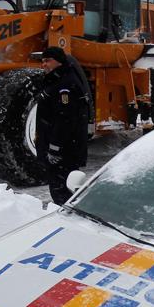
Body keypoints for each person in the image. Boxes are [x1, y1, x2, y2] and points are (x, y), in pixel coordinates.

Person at [37, 46, 90, 205]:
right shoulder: (56, 80)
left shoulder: (65, 85)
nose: (43, 64)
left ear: (59, 62)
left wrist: (55, 147)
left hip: (65, 149)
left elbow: (65, 120)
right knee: (60, 185)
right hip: (62, 146)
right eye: (42, 61)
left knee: (63, 188)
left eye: (48, 61)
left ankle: (67, 217)